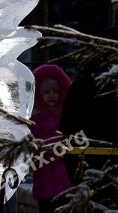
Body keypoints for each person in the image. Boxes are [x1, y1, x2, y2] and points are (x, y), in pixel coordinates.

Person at [58, 26, 118, 188]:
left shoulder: (81, 87)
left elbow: (67, 132)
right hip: (88, 165)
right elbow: (69, 132)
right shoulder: (82, 88)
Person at [30, 63, 72, 213]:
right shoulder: (35, 121)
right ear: (40, 95)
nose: (52, 95)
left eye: (55, 91)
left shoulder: (68, 117)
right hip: (43, 176)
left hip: (66, 179)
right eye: (47, 92)